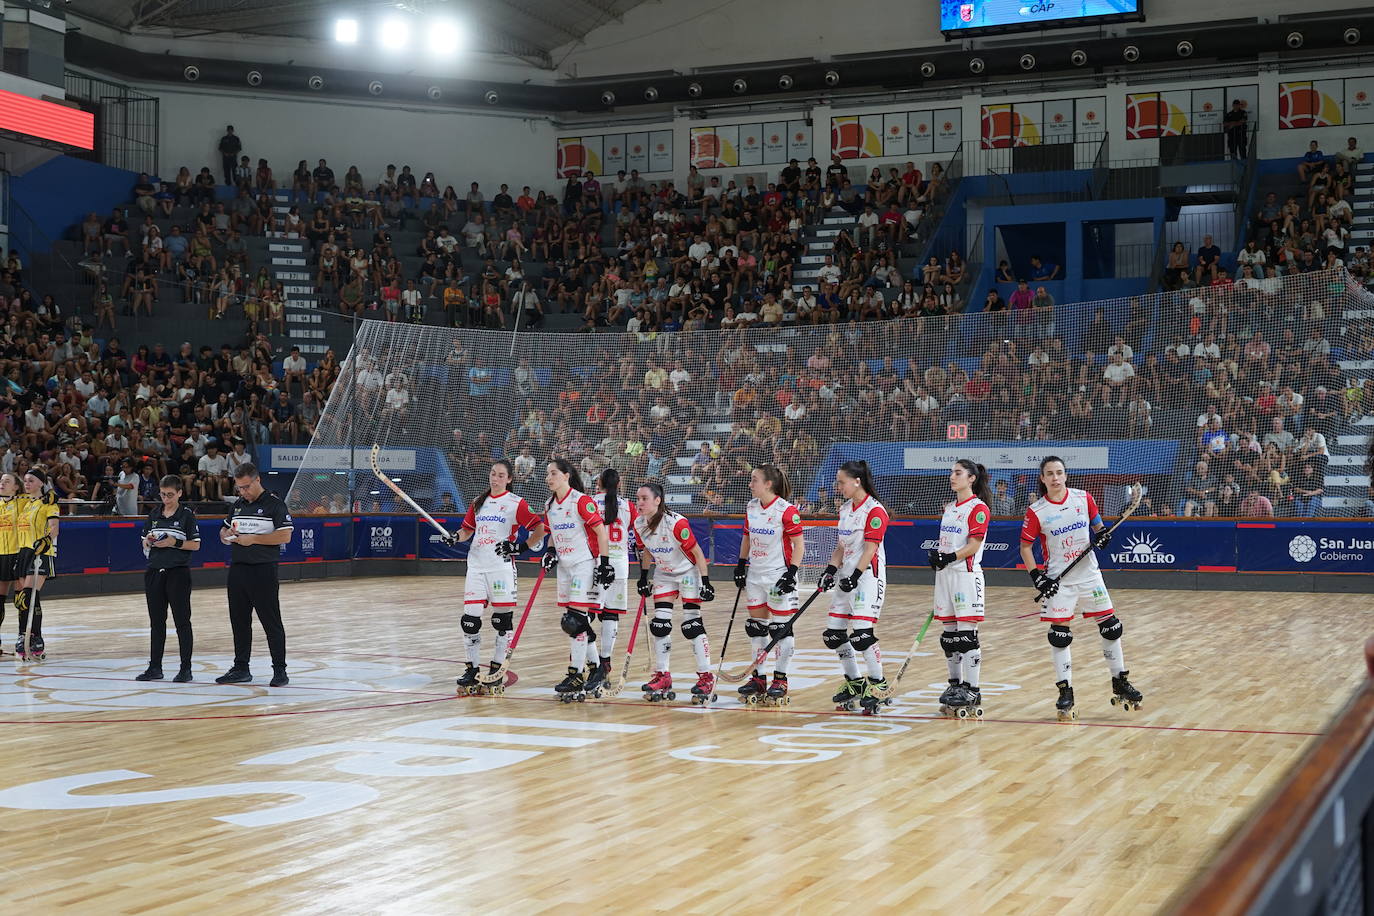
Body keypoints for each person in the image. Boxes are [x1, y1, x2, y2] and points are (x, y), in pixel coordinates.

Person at [1019, 456, 1143, 720]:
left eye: (1059, 472)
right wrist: (1037, 577)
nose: (1055, 478)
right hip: (1059, 580)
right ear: (1042, 479)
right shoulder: (1036, 511)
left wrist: (1103, 535)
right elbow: (1025, 547)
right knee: (1060, 635)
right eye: (1049, 474)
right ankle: (1065, 691)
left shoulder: (1083, 498)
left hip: (1089, 576)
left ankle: (1120, 681)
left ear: (1066, 475)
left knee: (1111, 627)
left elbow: (1098, 528)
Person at [443, 460, 545, 694]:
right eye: (492, 474)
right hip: (477, 566)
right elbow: (467, 529)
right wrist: (455, 537)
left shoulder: (515, 503)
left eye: (500, 475)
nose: (495, 478)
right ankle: (471, 669)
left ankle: (497, 669)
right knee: (470, 620)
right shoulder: (479, 502)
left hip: (500, 569)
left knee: (501, 621)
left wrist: (521, 548)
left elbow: (539, 527)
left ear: (509, 479)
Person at [633, 481, 717, 702]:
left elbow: (698, 553)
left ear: (657, 500)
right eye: (638, 498)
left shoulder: (676, 524)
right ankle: (663, 675)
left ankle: (706, 676)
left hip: (688, 572)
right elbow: (648, 552)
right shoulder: (639, 523)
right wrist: (643, 577)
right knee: (660, 625)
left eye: (644, 499)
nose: (639, 503)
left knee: (692, 624)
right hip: (664, 574)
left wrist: (706, 582)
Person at [821, 460, 891, 714]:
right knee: (833, 634)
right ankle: (855, 682)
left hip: (868, 578)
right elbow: (842, 547)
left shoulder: (875, 510)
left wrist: (855, 575)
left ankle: (878, 683)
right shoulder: (845, 509)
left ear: (857, 481)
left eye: (841, 482)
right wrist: (830, 569)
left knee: (862, 635)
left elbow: (870, 549)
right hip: (846, 577)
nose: (837, 486)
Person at [540, 458, 613, 700]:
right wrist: (550, 553)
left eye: (553, 473)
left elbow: (601, 532)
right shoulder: (550, 505)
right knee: (578, 623)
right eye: (547, 474)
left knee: (574, 621)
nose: (548, 478)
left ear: (566, 475)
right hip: (565, 566)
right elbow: (551, 535)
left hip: (584, 564)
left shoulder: (581, 501)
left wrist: (604, 563)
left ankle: (576, 673)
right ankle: (596, 668)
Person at [732, 465, 805, 705]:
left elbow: (799, 545)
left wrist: (791, 573)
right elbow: (746, 537)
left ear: (768, 484)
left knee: (780, 628)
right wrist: (741, 564)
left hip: (777, 576)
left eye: (754, 480)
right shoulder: (751, 507)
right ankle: (759, 678)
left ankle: (781, 679)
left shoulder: (786, 510)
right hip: (755, 575)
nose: (750, 484)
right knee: (756, 627)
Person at [216, 463, 294, 686]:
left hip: (263, 571)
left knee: (271, 622)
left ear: (258, 480)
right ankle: (241, 667)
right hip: (238, 570)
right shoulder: (238, 505)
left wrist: (254, 539)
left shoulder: (275, 505)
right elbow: (223, 530)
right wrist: (226, 534)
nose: (243, 492)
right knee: (239, 621)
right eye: (239, 488)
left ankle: (280, 670)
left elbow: (285, 536)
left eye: (246, 487)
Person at [927, 459, 993, 718]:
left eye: (957, 473)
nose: (952, 476)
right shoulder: (951, 508)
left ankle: (973, 688)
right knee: (949, 637)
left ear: (971, 478)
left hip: (965, 576)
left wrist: (948, 557)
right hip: (945, 576)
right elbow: (949, 542)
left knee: (966, 636)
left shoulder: (978, 508)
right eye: (952, 472)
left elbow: (974, 545)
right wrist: (938, 557)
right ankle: (955, 685)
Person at [137, 475, 200, 682]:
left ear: (180, 493)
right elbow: (144, 540)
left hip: (178, 573)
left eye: (170, 495)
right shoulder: (154, 513)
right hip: (154, 571)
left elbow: (196, 544)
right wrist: (148, 541)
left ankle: (186, 668)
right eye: (163, 494)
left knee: (182, 621)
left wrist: (174, 542)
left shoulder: (187, 516)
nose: (166, 499)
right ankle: (155, 667)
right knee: (156, 622)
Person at [589, 468, 635, 694]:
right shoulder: (628, 505)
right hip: (620, 564)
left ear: (599, 483)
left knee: (584, 615)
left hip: (595, 563)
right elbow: (637, 533)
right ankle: (604, 661)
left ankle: (590, 665)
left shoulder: (588, 502)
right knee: (611, 614)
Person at [13, 468, 59, 661]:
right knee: (21, 600)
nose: (27, 484)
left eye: (31, 480)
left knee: (30, 594)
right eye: (25, 481)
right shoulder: (25, 503)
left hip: (40, 552)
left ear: (41, 482)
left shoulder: (49, 503)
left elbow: (54, 528)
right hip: (23, 552)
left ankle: (36, 637)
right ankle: (23, 635)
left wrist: (46, 541)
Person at [0, 473, 19, 642]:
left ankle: (25, 638)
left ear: (16, 487)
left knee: (21, 600)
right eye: (1, 481)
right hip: (1, 555)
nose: (2, 483)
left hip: (18, 553)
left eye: (7, 481)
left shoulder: (23, 503)